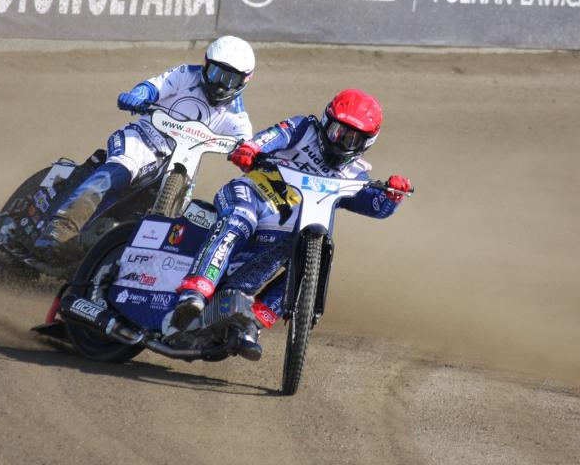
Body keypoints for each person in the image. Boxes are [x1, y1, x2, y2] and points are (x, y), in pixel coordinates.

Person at [169, 89, 412, 360]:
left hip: (286, 232)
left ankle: (250, 322)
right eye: (337, 131)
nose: (341, 141)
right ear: (325, 121)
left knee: (313, 258)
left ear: (366, 143)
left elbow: (377, 207)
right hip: (252, 194)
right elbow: (271, 137)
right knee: (241, 218)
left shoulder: (356, 175)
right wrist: (251, 148)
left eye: (352, 138)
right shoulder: (302, 128)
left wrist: (394, 196)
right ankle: (194, 291)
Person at [18, 36, 256, 276]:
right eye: (216, 73)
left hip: (180, 163)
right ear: (205, 65)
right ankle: (62, 228)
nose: (220, 84)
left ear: (245, 80)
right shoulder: (185, 75)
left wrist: (249, 154)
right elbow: (154, 86)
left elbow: (247, 142)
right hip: (142, 139)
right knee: (123, 168)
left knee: (185, 217)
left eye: (230, 79)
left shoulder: (236, 115)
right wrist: (138, 95)